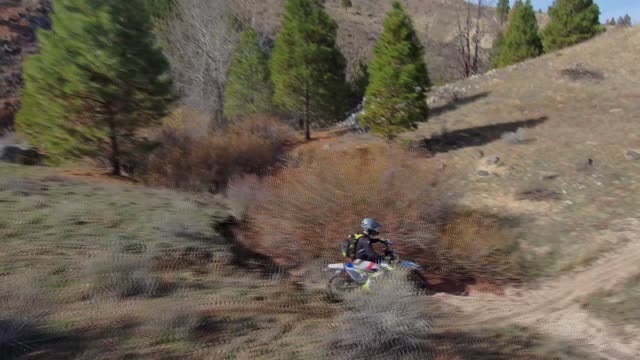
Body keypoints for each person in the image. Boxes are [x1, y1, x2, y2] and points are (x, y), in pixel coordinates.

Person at [351, 218, 394, 290]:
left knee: (379, 266)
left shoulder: (365, 238)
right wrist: (383, 258)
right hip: (361, 262)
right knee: (382, 270)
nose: (376, 230)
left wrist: (380, 240)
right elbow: (371, 254)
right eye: (375, 228)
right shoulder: (364, 240)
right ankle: (366, 288)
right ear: (369, 228)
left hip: (362, 261)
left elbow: (371, 240)